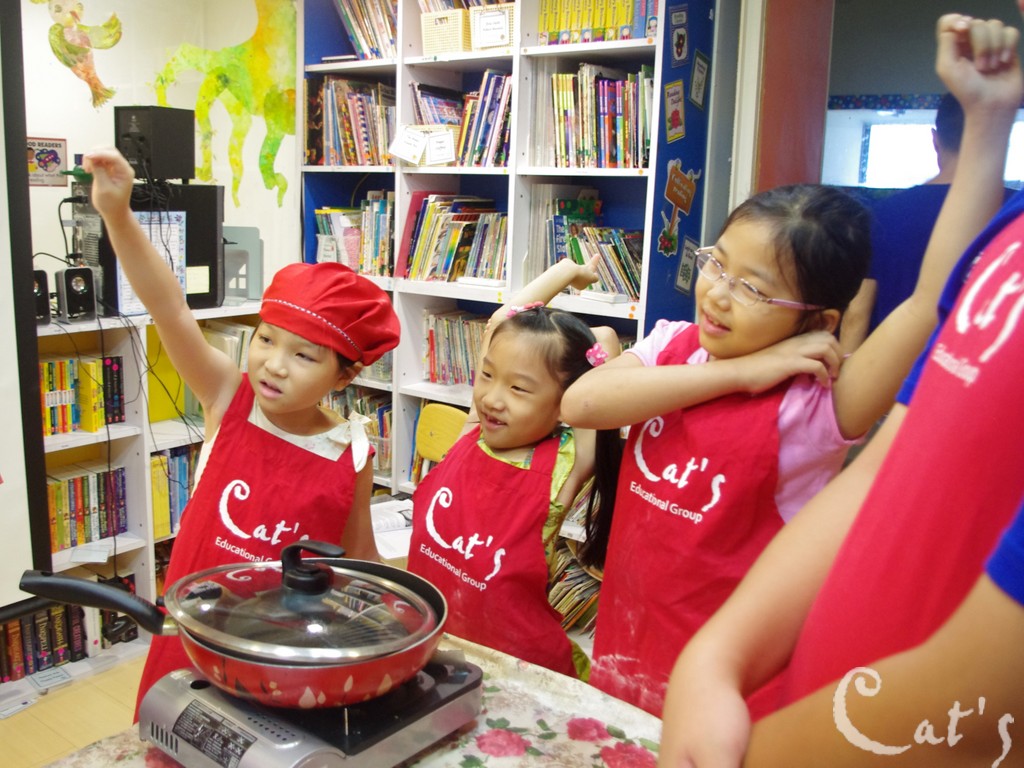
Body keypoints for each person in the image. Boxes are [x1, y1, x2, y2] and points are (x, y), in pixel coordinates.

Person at [559, 18, 1008, 716]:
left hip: (726, 689)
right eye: (717, 264)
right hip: (625, 642)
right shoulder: (673, 343)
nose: (717, 293)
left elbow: (930, 300)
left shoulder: (820, 404)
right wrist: (738, 372)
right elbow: (582, 404)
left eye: (754, 289)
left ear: (818, 321)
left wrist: (987, 118)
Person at [81, 147, 401, 715]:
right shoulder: (228, 397)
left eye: (303, 355)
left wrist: (396, 620)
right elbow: (169, 308)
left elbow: (358, 557)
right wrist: (118, 216)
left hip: (283, 651)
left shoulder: (352, 448)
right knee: (176, 732)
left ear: (344, 375)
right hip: (193, 634)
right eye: (266, 339)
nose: (273, 364)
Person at [406, 257, 621, 679]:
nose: (491, 398)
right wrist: (567, 271)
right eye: (487, 375)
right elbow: (501, 323)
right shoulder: (472, 432)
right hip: (434, 643)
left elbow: (606, 342)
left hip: (515, 666)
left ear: (566, 402)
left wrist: (577, 346)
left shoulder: (569, 464)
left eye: (519, 388)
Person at [841, 92, 1014, 353]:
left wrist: (846, 367)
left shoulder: (883, 214)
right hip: (985, 367)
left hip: (893, 368)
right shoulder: (1016, 213)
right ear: (1001, 142)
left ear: (935, 140)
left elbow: (857, 312)